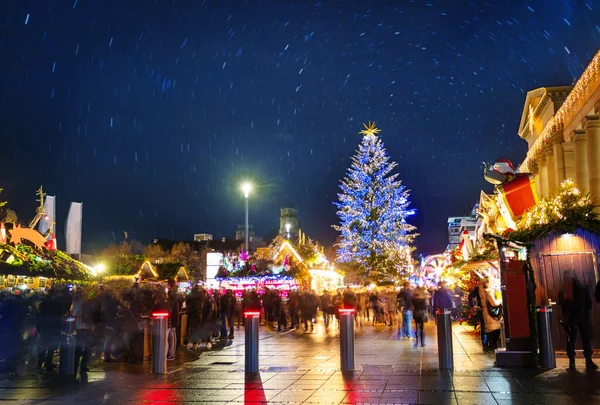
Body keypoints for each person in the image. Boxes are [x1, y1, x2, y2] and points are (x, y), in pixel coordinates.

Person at [559, 270, 597, 369]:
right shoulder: (582, 288)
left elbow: (563, 303)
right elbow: (588, 303)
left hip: (572, 316)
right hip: (582, 315)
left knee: (571, 339)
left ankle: (572, 362)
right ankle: (588, 360)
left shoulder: (566, 289)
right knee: (585, 338)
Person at [479, 279, 502, 352]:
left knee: (491, 333)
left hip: (487, 314)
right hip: (492, 316)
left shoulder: (482, 292)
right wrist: (501, 300)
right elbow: (494, 303)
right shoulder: (488, 292)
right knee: (495, 332)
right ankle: (493, 349)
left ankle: (490, 347)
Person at [468, 278, 488, 350]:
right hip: (482, 310)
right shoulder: (478, 289)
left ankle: (488, 344)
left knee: (485, 327)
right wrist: (473, 306)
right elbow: (470, 296)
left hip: (486, 310)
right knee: (484, 326)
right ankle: (485, 345)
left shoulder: (487, 288)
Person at [166, 280, 181, 360]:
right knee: (173, 335)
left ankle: (171, 353)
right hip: (175, 317)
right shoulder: (176, 293)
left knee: (171, 336)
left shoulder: (171, 294)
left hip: (172, 318)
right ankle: (172, 353)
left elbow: (169, 307)